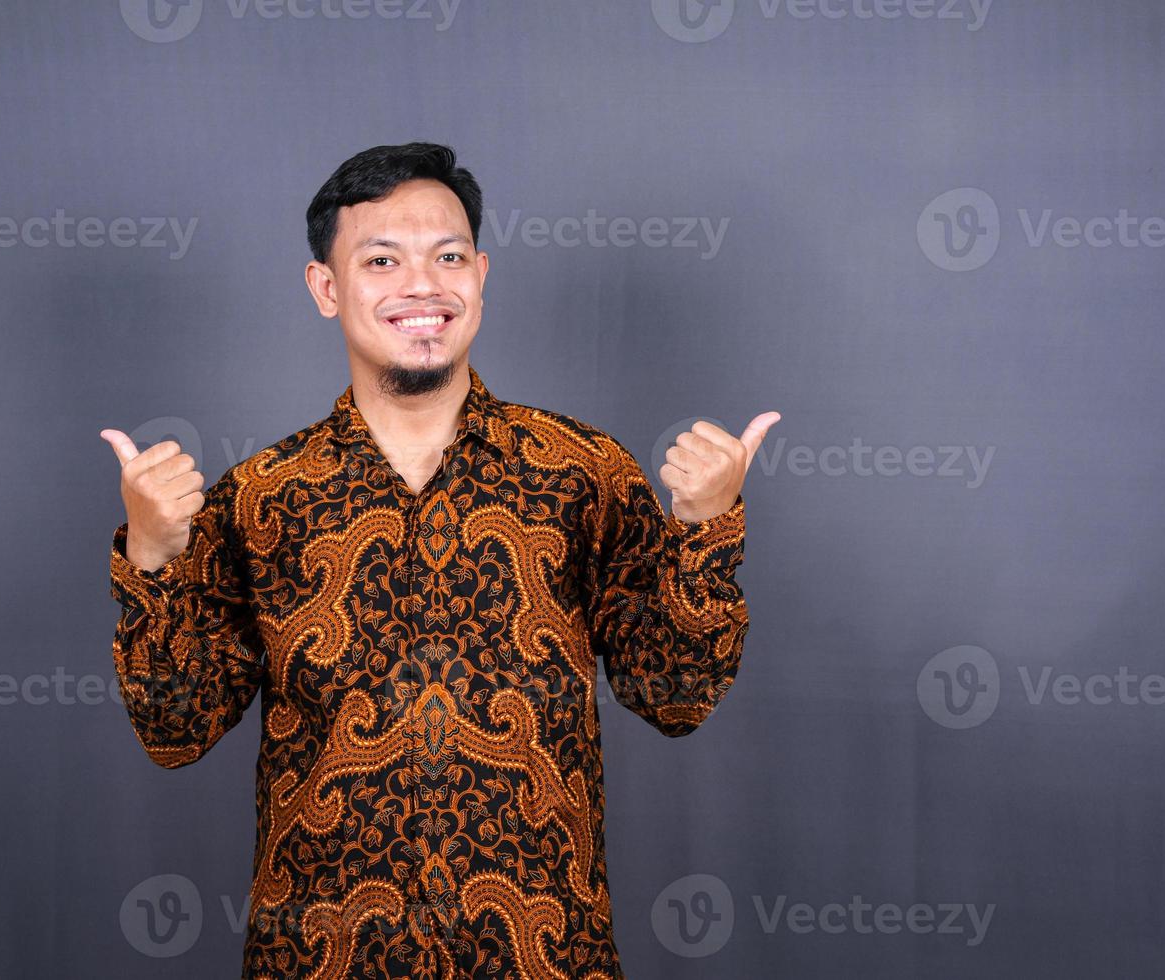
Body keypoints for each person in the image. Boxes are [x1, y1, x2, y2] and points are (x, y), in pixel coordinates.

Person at [99, 141, 780, 979]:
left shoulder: (581, 472)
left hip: (542, 958)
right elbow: (175, 731)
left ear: (481, 275)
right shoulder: (260, 499)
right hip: (321, 959)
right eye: (381, 260)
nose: (422, 286)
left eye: (447, 256)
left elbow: (674, 695)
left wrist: (707, 529)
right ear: (327, 288)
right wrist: (153, 559)